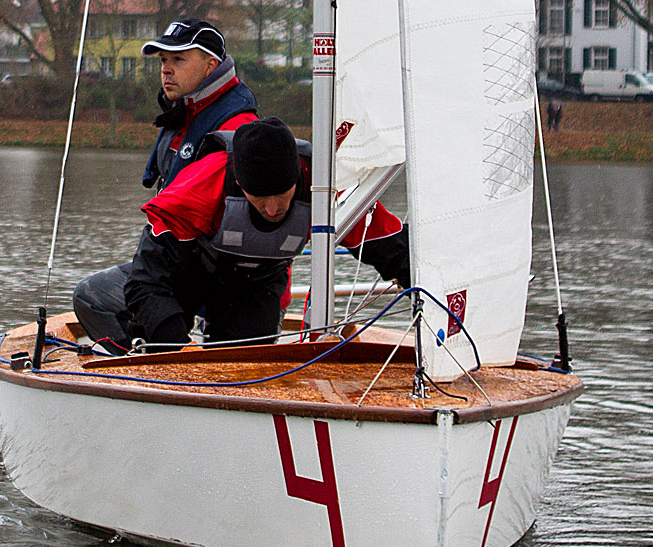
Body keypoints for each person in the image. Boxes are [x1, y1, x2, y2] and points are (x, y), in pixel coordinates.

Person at [84, 117, 411, 351]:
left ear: (299, 175)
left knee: (241, 362)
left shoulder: (326, 187)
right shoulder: (198, 188)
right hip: (187, 276)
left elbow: (393, 250)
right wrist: (175, 351)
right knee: (92, 297)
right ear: (239, 182)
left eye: (282, 194)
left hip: (257, 288)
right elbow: (147, 282)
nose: (272, 209)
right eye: (259, 197)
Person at [72, 17, 257, 346]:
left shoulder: (237, 129)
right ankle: (152, 363)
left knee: (92, 295)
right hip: (185, 266)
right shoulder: (186, 115)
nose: (166, 70)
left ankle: (155, 369)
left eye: (179, 59)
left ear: (210, 65)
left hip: (223, 279)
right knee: (129, 290)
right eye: (163, 61)